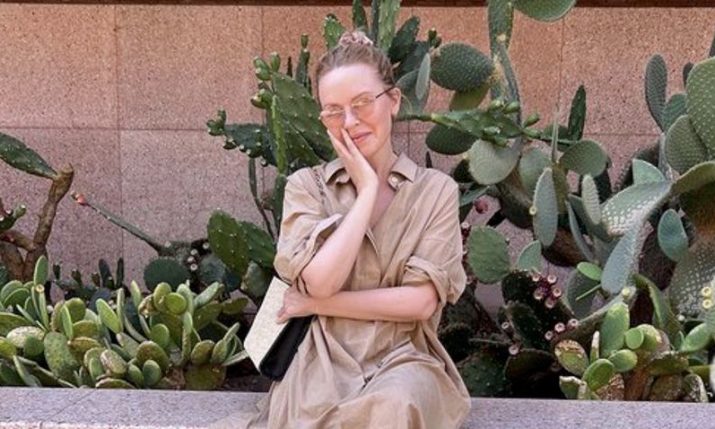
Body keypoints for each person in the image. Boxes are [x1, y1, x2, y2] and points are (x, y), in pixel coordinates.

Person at [246, 30, 471, 429]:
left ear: (393, 101)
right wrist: (366, 191)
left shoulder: (435, 192)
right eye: (334, 111)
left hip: (404, 359)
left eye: (363, 102)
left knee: (395, 404)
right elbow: (320, 281)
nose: (350, 122)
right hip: (319, 361)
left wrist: (316, 305)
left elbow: (420, 303)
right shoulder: (307, 187)